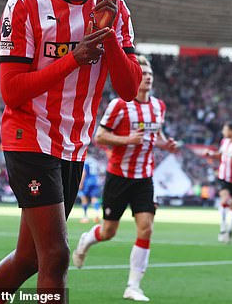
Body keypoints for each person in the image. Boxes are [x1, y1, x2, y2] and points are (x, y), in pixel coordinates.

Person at [0, 0, 141, 303]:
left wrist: (108, 33)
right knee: (56, 254)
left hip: (73, 145)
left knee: (30, 257)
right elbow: (12, 92)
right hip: (29, 137)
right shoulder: (25, 5)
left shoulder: (113, 8)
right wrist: (75, 57)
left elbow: (131, 89)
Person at [72, 55, 178, 302]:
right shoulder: (119, 105)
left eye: (150, 72)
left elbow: (156, 135)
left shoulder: (158, 106)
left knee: (146, 228)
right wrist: (126, 140)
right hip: (119, 176)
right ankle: (87, 240)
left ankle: (133, 286)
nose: (148, 76)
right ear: (134, 77)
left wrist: (166, 144)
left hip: (144, 177)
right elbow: (100, 136)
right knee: (109, 231)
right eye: (143, 72)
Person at [78, 158, 102, 223]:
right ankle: (97, 215)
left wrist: (81, 183)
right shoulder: (94, 160)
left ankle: (85, 217)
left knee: (84, 198)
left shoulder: (85, 161)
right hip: (95, 181)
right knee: (94, 198)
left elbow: (84, 172)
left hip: (87, 182)